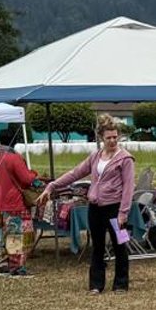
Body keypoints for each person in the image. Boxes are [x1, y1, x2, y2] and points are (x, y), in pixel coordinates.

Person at [42, 114, 135, 295]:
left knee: (120, 245)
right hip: (95, 208)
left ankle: (121, 284)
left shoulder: (126, 159)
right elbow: (75, 173)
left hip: (116, 208)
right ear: (101, 138)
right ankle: (96, 284)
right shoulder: (95, 156)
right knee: (97, 246)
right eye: (108, 137)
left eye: (115, 137)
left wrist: (123, 212)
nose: (112, 141)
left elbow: (129, 187)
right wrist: (53, 185)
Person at [0, 127, 42, 277]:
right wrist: (34, 175)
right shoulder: (15, 158)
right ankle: (16, 267)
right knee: (15, 235)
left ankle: (2, 265)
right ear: (15, 141)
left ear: (0, 140)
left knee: (0, 236)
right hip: (13, 203)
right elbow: (26, 179)